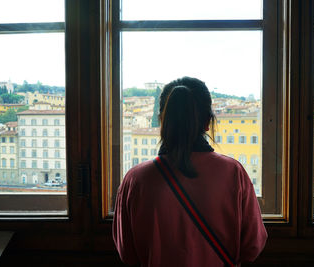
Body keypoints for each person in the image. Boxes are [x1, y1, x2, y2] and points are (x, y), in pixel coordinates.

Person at [113, 77, 267, 267]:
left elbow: (126, 252)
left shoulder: (135, 180)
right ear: (207, 123)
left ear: (162, 121)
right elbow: (253, 245)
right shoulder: (234, 174)